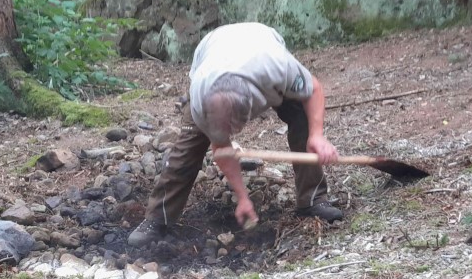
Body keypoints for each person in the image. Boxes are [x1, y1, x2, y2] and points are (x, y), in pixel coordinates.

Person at [128, 22, 343, 247]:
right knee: (189, 147)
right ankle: (156, 219)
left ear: (251, 110)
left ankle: (313, 200)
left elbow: (314, 89)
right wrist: (242, 197)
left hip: (260, 42)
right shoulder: (200, 101)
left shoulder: (277, 68)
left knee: (303, 118)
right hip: (211, 50)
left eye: (231, 129)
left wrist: (317, 136)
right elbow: (222, 149)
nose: (228, 134)